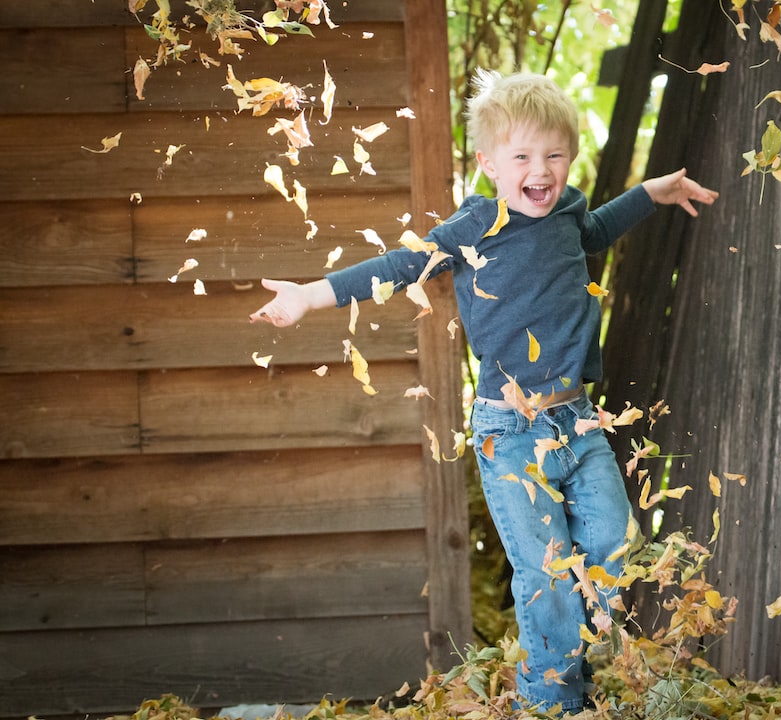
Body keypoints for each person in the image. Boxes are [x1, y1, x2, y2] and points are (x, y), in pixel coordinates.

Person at [249, 70, 718, 714]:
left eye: (553, 155)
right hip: (509, 433)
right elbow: (398, 266)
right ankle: (553, 701)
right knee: (546, 576)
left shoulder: (569, 212)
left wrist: (649, 193)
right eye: (522, 156)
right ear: (489, 164)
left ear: (570, 158)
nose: (541, 169)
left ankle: (584, 655)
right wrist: (309, 295)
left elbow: (597, 232)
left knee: (613, 542)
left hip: (576, 423)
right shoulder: (473, 228)